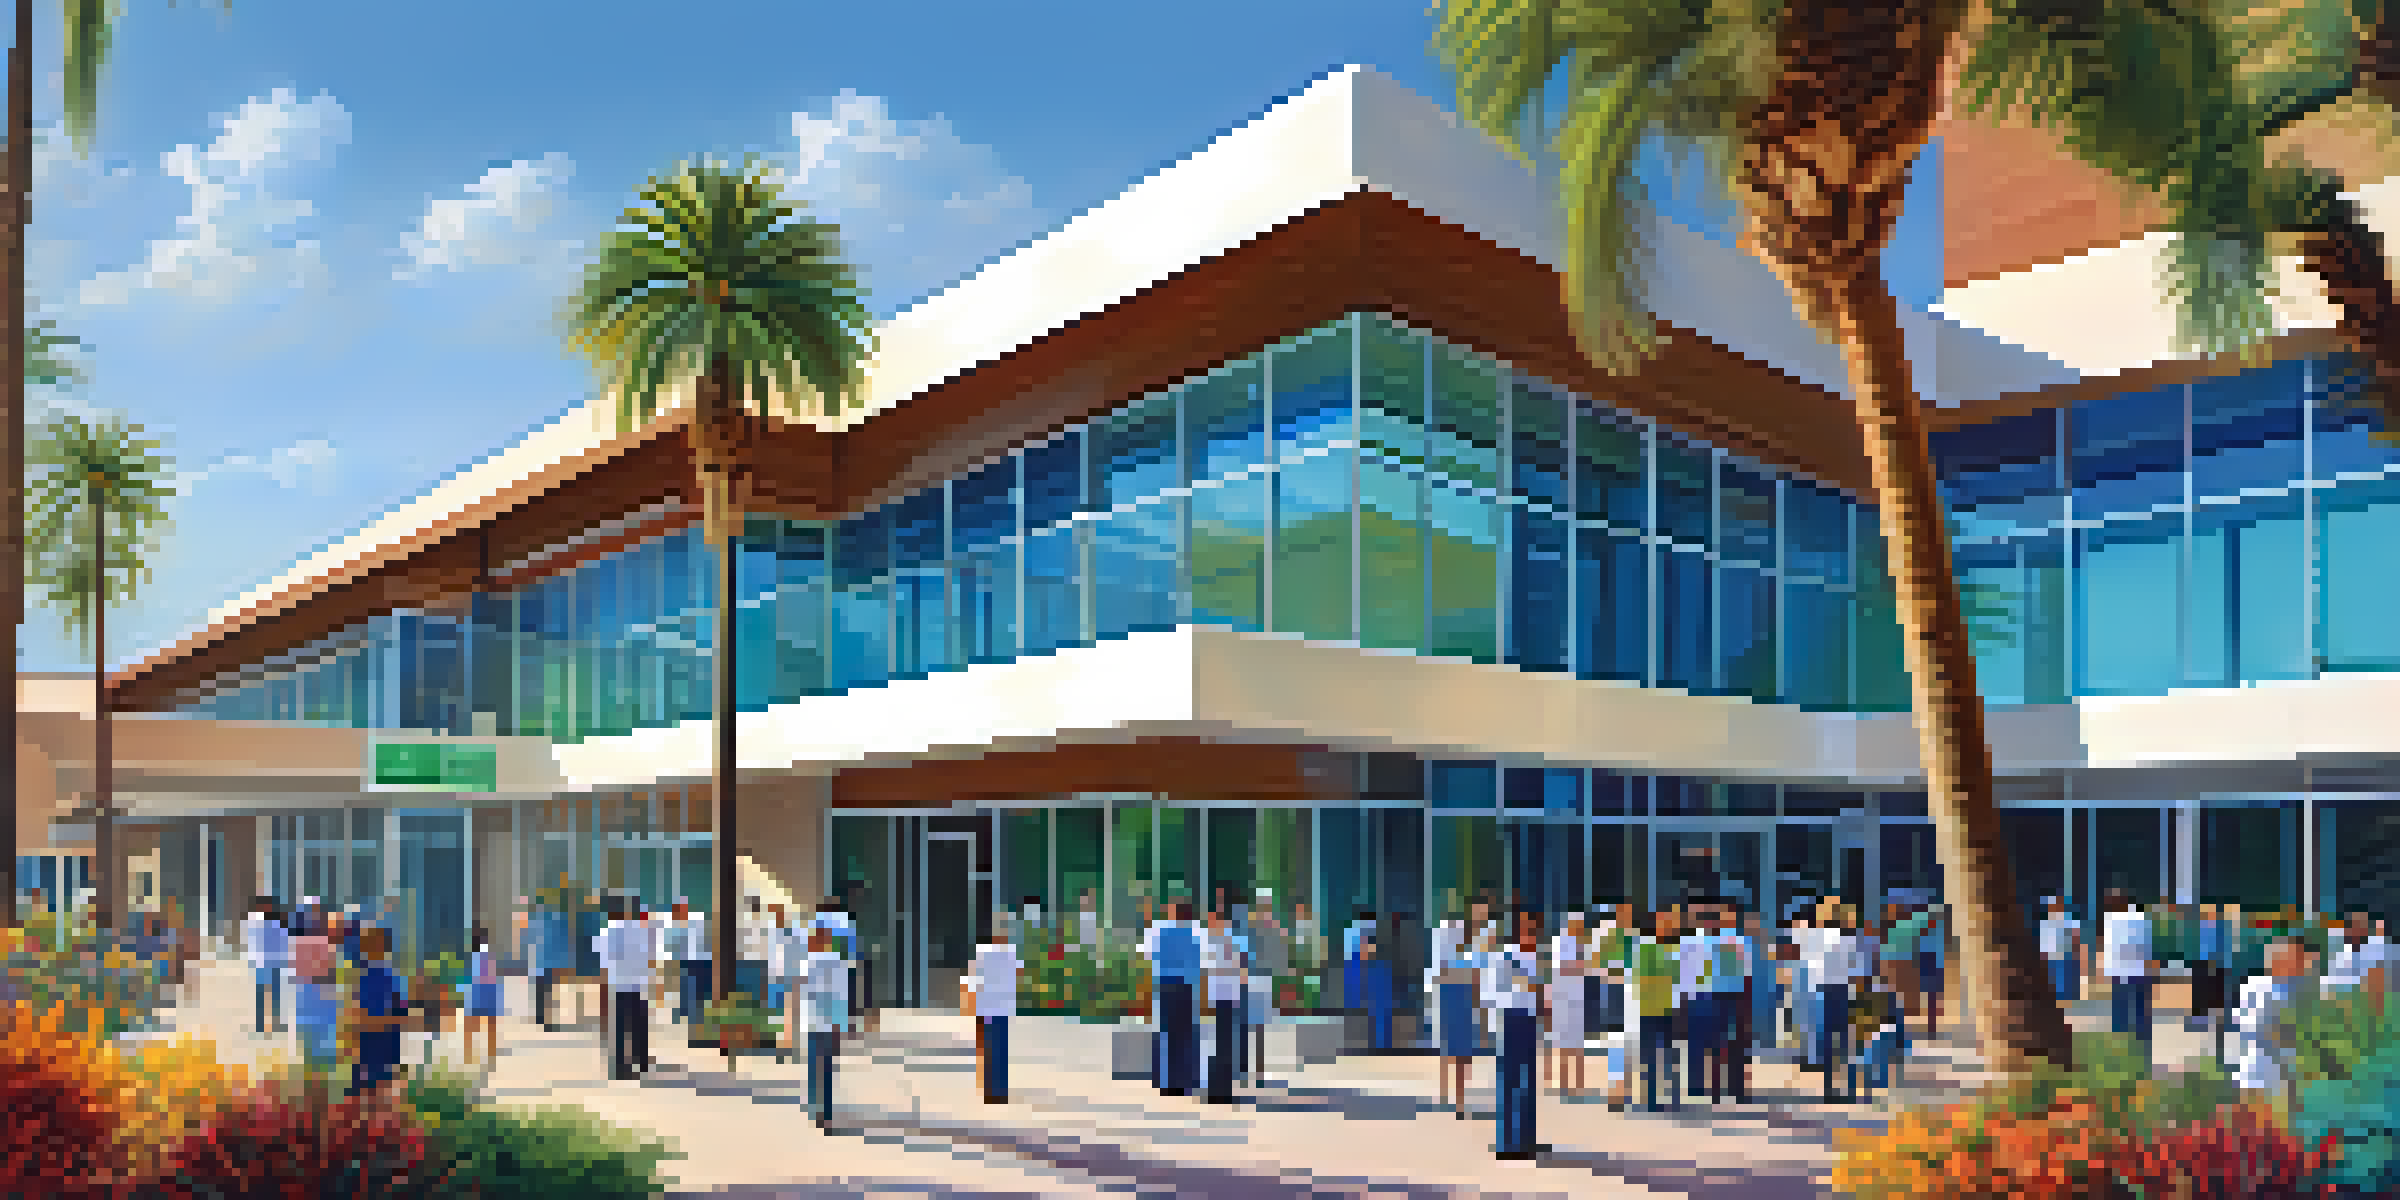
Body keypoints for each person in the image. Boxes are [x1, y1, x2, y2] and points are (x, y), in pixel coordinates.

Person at [2228, 936, 2311, 1102]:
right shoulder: (2257, 990)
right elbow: (2258, 1034)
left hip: (2291, 1081)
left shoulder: (2303, 990)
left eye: (2302, 959)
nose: (2302, 965)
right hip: (2260, 1079)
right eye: (2297, 959)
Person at [1487, 910, 1542, 1160]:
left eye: (1533, 928)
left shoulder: (1536, 957)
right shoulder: (1504, 956)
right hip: (1510, 1019)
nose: (1531, 933)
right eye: (1527, 928)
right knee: (1509, 1084)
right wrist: (1519, 986)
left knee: (1527, 1082)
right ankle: (1507, 1144)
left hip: (1529, 1021)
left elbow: (1539, 991)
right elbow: (1490, 993)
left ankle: (1527, 1141)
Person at [1142, 899, 1202, 1096]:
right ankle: (1184, 1081)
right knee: (1185, 1036)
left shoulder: (1160, 930)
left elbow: (1148, 956)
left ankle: (1165, 1083)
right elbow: (1201, 962)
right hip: (1187, 988)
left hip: (1166, 986)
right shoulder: (1194, 933)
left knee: (1167, 1034)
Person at [347, 925, 410, 1098]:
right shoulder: (366, 978)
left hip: (382, 1044)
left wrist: (372, 1023)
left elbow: (401, 1016)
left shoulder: (388, 978)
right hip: (373, 1045)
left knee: (376, 1097)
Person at [964, 915, 1021, 1104]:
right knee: (997, 1049)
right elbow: (1016, 976)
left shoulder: (987, 953)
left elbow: (973, 980)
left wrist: (971, 1002)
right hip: (996, 1007)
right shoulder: (1006, 953)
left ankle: (993, 1089)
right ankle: (996, 1090)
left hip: (991, 1007)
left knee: (993, 1049)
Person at [596, 898, 654, 1080]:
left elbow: (604, 965)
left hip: (618, 985)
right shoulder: (641, 931)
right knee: (639, 1025)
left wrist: (603, 989)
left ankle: (621, 1067)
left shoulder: (607, 932)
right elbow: (650, 958)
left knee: (620, 1027)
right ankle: (641, 1062)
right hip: (638, 985)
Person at [1630, 907, 1681, 1113]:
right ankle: (1651, 1098)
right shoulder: (1646, 948)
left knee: (1669, 1057)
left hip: (1669, 1010)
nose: (1668, 926)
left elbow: (1679, 979)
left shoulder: (1674, 950)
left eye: (1671, 922)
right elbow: (1641, 978)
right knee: (1651, 1058)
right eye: (1665, 922)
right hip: (1649, 1011)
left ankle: (1672, 1097)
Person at [800, 926, 851, 1129]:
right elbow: (841, 995)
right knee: (826, 1068)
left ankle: (818, 1108)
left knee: (815, 1067)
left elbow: (804, 994)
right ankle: (824, 1111)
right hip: (828, 1024)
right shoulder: (837, 964)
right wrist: (841, 1023)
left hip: (816, 1023)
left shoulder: (810, 963)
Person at [2101, 890, 2159, 1058]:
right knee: (2125, 1014)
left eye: (2113, 902)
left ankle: (2140, 1049)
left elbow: (2146, 946)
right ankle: (2128, 1049)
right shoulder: (2116, 919)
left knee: (2136, 1014)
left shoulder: (2135, 919)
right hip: (2125, 973)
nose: (2111, 905)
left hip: (2135, 973)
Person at [1204, 906, 1247, 1104]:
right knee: (1223, 1044)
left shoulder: (1212, 940)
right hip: (1227, 997)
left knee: (1222, 1044)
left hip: (1224, 997)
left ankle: (1220, 1089)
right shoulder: (1232, 939)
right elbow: (1243, 970)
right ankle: (1221, 1088)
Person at [1547, 911, 1590, 1097]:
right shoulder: (1561, 942)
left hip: (1577, 998)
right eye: (1577, 924)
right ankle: (1565, 1083)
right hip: (1563, 998)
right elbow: (1559, 970)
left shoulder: (1582, 945)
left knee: (1577, 1043)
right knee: (1564, 1042)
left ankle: (1577, 1083)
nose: (1579, 928)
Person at [289, 923, 340, 1074]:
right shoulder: (326, 942)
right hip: (322, 989)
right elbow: (331, 968)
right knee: (324, 1032)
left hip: (307, 990)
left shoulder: (298, 943)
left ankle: (313, 1067)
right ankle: (325, 1067)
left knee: (310, 1033)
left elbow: (296, 970)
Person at [243, 897, 290, 1036]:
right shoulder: (256, 923)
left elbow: (283, 942)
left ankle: (274, 1022)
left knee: (275, 994)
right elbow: (252, 943)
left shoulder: (277, 923)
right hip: (263, 963)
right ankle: (261, 1023)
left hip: (274, 963)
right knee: (263, 993)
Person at [461, 923, 503, 1068]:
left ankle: (468, 1054)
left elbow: (466, 977)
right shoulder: (490, 955)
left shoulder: (470, 957)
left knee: (470, 1024)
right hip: (488, 992)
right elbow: (495, 976)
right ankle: (491, 1054)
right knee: (490, 1023)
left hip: (475, 992)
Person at [664, 899, 709, 1024]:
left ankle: (694, 1015)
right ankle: (683, 1013)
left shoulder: (696, 920)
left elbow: (704, 941)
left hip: (700, 960)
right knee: (683, 987)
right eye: (676, 908)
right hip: (683, 961)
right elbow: (669, 945)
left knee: (697, 989)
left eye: (680, 907)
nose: (677, 911)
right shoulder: (671, 924)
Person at [2038, 896, 2086, 1004]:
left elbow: (2077, 938)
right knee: (2056, 984)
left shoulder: (2069, 920)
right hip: (2054, 959)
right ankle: (2060, 1003)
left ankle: (2070, 1002)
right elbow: (2045, 945)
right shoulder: (2047, 924)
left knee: (2070, 983)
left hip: (2070, 957)